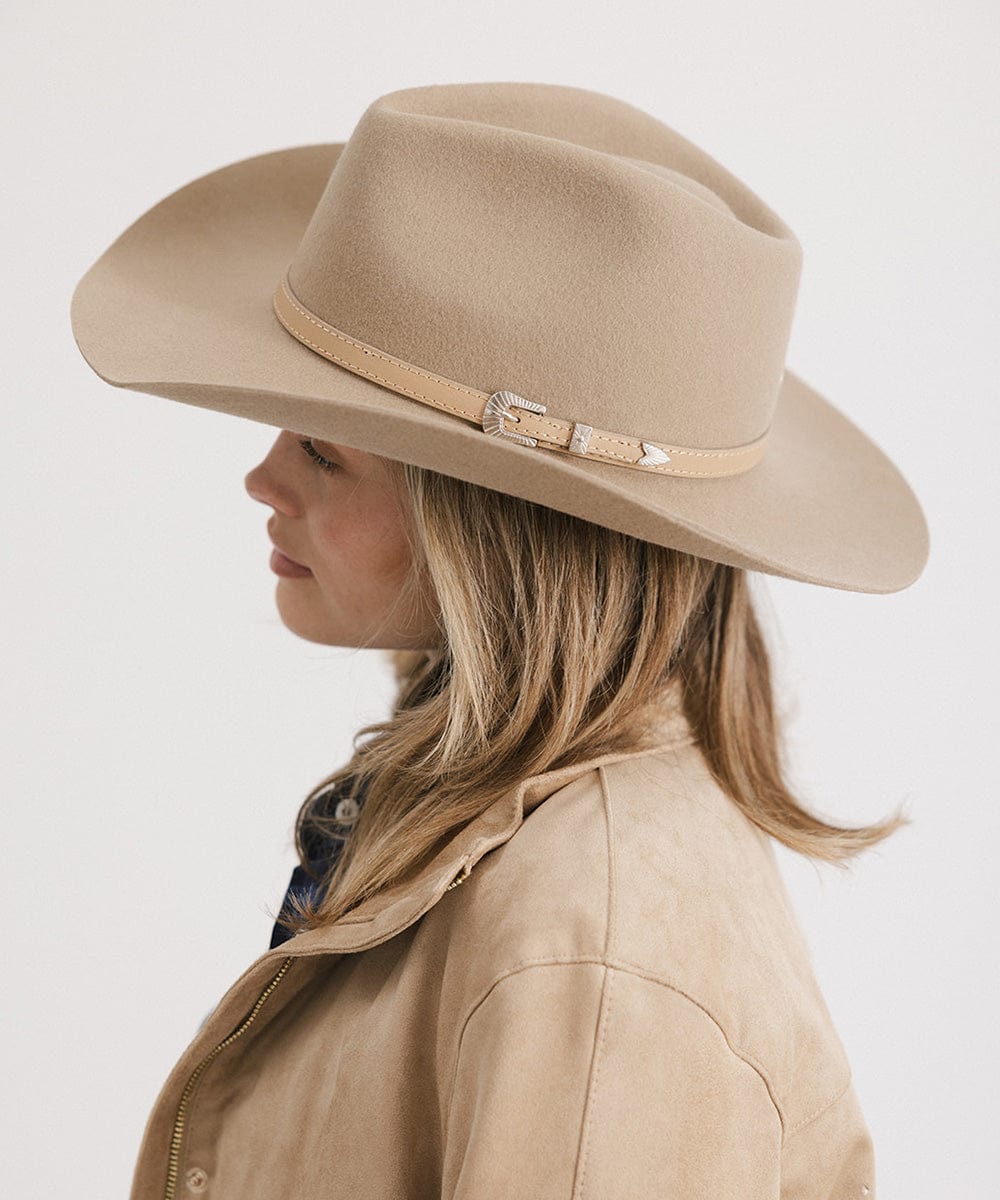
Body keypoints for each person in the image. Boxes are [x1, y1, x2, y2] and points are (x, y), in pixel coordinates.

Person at [70, 81, 927, 1199]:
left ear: (498, 535)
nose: (261, 476)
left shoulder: (597, 953)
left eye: (327, 453)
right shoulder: (510, 838)